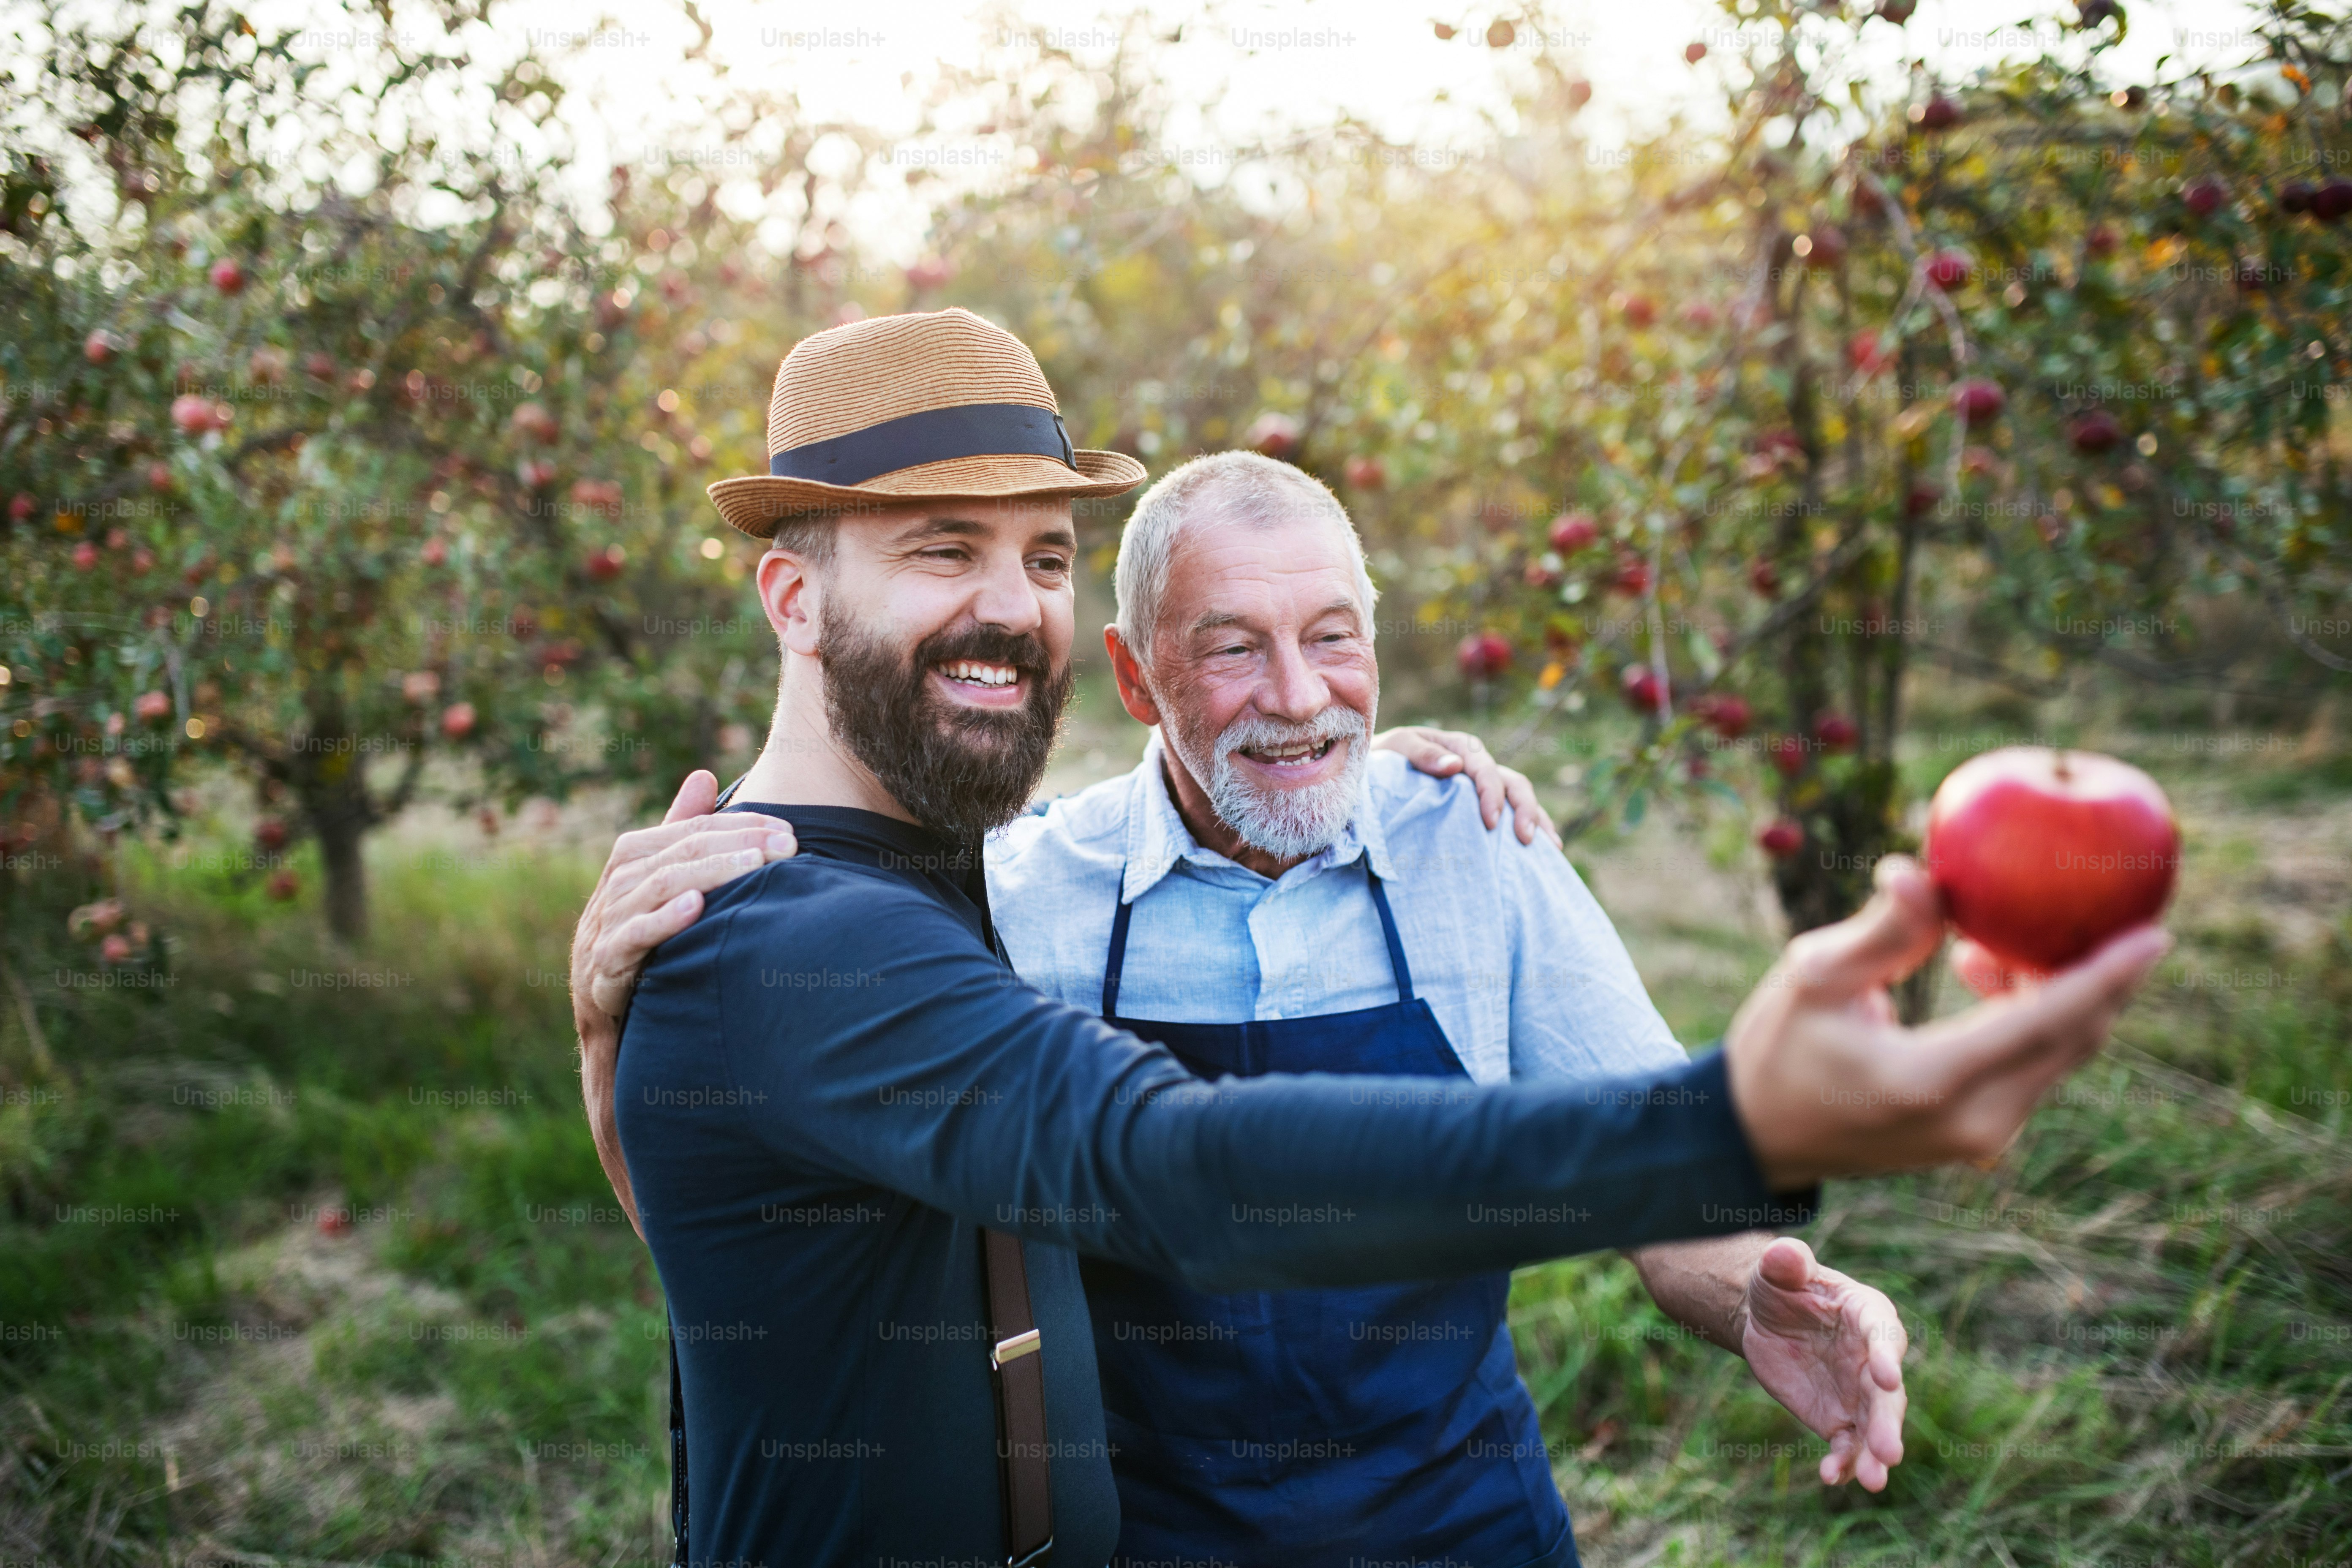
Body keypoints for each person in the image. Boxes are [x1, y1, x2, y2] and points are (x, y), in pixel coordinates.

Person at [571, 308, 2168, 1568]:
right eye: (942, 549)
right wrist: (1751, 1113)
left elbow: (796, 1230)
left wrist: (1749, 1282)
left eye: (1040, 555)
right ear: (1138, 684)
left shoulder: (1466, 842)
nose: (1297, 693)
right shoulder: (996, 896)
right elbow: (1160, 1166)